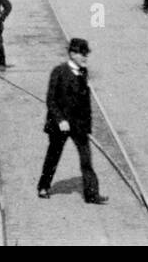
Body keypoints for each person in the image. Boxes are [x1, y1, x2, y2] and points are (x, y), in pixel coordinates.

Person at [37, 38, 106, 204]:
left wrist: (87, 125)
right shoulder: (59, 72)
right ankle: (44, 186)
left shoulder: (83, 72)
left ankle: (91, 194)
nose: (85, 57)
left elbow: (85, 102)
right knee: (53, 155)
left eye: (86, 54)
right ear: (72, 54)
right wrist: (60, 120)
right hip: (60, 125)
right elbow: (51, 100)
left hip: (79, 125)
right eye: (82, 54)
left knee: (86, 159)